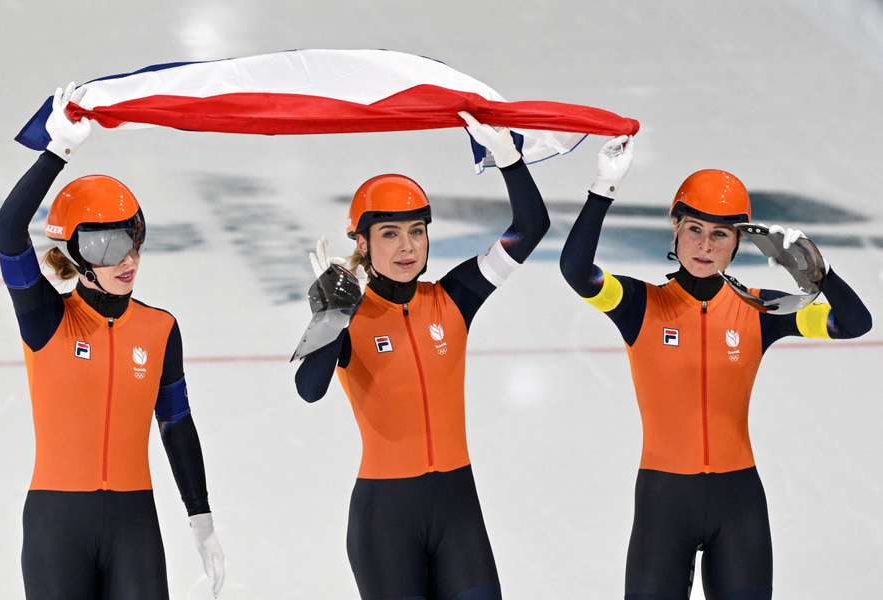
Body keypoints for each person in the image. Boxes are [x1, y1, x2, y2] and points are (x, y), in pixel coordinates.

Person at [559, 136, 872, 599]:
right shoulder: (639, 304)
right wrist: (603, 189)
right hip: (664, 502)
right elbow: (576, 268)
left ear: (738, 242)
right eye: (694, 230)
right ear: (675, 229)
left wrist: (817, 269)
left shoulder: (761, 311)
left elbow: (854, 323)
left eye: (720, 234)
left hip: (738, 503)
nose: (705, 245)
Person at [294, 112, 549, 600]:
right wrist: (332, 316)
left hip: (458, 512)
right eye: (390, 234)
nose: (407, 246)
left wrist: (509, 159)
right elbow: (309, 389)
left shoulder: (455, 296)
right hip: (385, 521)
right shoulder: (353, 314)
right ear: (363, 243)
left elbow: (531, 227)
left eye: (416, 231)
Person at [0, 83, 225, 600]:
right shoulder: (46, 320)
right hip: (58, 527)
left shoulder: (160, 329)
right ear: (74, 252)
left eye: (133, 239)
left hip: (133, 527)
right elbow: (10, 229)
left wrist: (200, 512)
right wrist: (58, 151)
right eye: (107, 244)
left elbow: (176, 423)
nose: (128, 260)